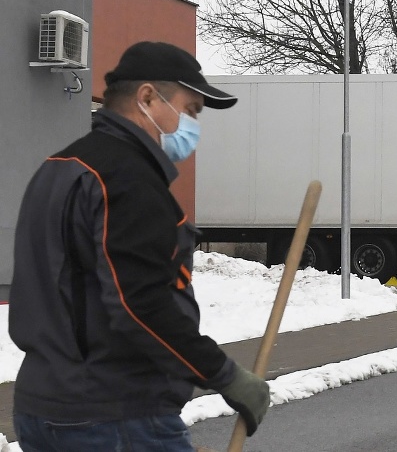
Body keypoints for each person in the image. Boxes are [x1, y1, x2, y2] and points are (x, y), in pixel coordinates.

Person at [9, 42, 269, 451]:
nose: (193, 125)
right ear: (148, 97)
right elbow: (139, 302)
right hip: (115, 415)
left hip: (43, 409)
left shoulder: (57, 169)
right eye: (191, 110)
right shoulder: (128, 179)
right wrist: (225, 375)